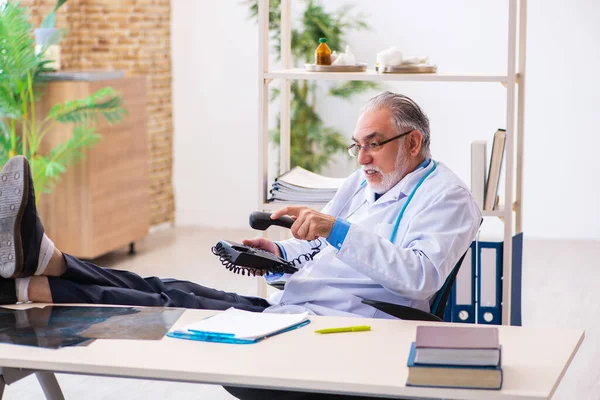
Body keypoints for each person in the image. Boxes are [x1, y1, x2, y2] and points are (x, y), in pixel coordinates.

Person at [0, 91, 481, 399]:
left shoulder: (448, 197)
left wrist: (334, 228)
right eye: (356, 145)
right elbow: (318, 254)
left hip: (338, 333)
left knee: (166, 308)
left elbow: (420, 277)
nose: (362, 158)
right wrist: (276, 258)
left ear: (413, 143)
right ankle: (45, 268)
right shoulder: (364, 181)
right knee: (165, 287)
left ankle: (30, 283)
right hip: (295, 308)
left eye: (372, 144)